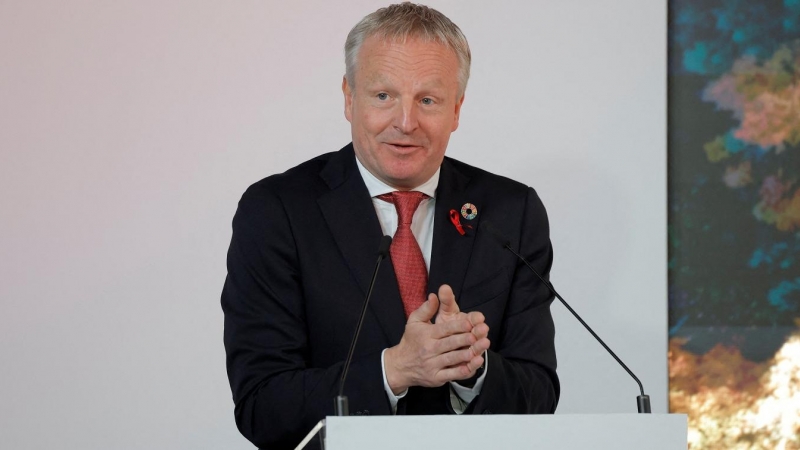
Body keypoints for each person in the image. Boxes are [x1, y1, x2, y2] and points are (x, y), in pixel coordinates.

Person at [221, 3, 559, 449]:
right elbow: (262, 405)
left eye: (428, 100)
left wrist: (472, 368)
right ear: (348, 97)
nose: (405, 122)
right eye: (384, 96)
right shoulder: (278, 211)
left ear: (456, 110)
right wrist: (394, 370)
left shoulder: (510, 212)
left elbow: (540, 393)